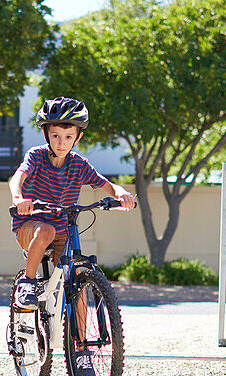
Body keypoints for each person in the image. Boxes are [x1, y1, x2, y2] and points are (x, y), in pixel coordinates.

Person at [10, 96, 137, 313]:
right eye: (56, 136)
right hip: (30, 226)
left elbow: (106, 185)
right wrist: (18, 198)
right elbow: (17, 177)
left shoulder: (78, 164)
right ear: (46, 135)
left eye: (68, 137)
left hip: (62, 230)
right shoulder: (36, 156)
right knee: (46, 231)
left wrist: (122, 193)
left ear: (77, 138)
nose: (61, 142)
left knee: (75, 280)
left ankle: (81, 345)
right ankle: (27, 284)